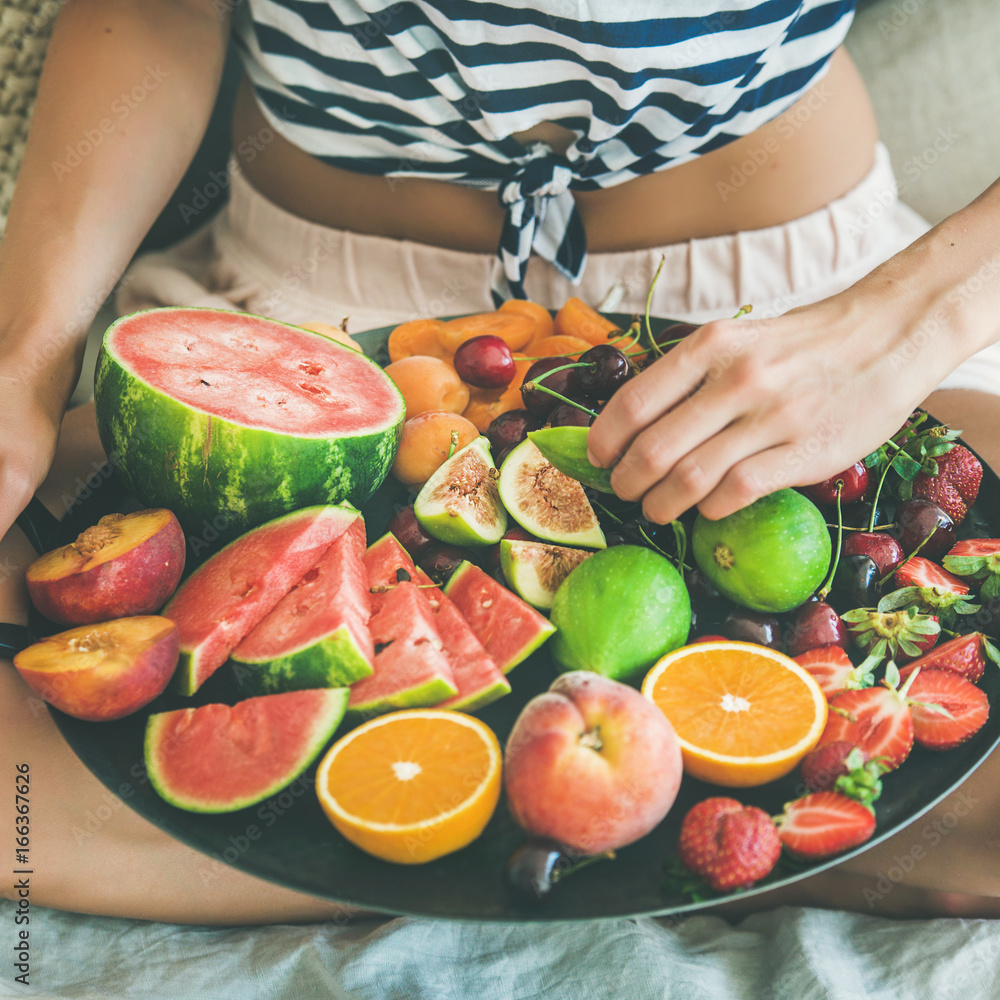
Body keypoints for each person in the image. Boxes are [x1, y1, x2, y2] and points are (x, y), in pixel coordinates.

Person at [2, 0, 1000, 923]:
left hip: (806, 306)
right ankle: (727, 848)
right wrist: (22, 360)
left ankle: (402, 838)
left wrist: (900, 326)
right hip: (303, 321)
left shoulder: (868, 323)